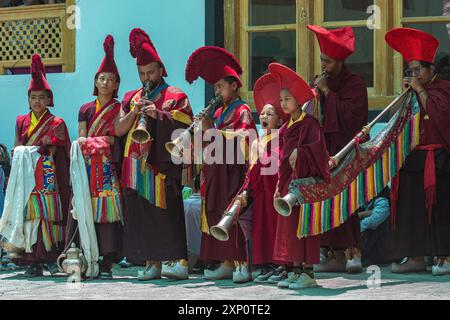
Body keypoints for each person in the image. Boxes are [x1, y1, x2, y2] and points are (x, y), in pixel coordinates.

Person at [116, 28, 194, 281]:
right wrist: (135, 112)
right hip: (135, 165)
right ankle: (150, 263)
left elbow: (186, 128)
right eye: (142, 73)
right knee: (140, 215)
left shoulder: (175, 96)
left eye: (150, 72)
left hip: (160, 167)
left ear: (160, 69)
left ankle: (175, 261)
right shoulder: (131, 97)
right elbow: (118, 129)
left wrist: (157, 115)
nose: (146, 78)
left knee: (164, 214)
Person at [185, 46, 257, 283]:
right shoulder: (217, 113)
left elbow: (245, 139)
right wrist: (202, 129)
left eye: (220, 86)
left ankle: (239, 262)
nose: (217, 91)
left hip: (233, 174)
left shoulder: (242, 110)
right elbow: (210, 142)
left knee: (231, 214)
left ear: (234, 85)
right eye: (215, 87)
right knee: (215, 214)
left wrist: (212, 131)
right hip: (216, 173)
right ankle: (224, 262)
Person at [385, 27, 450, 276]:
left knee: (440, 209)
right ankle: (415, 257)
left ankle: (444, 256)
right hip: (413, 157)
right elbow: (393, 121)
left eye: (418, 70)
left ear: (431, 68)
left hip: (439, 159)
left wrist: (421, 91)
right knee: (412, 209)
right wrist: (405, 95)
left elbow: (441, 117)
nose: (414, 75)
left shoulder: (443, 88)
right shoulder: (410, 91)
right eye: (409, 70)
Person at [0, 54, 71, 277]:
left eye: (41, 97)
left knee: (48, 216)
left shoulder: (57, 122)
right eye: (33, 97)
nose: (37, 101)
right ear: (28, 99)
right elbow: (17, 146)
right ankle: (32, 260)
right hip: (27, 175)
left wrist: (48, 148)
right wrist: (20, 154)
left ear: (49, 99)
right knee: (30, 217)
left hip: (49, 176)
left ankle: (51, 257)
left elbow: (61, 148)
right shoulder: (22, 120)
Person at [307, 25, 368, 273]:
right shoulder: (319, 81)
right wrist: (315, 93)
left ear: (340, 62)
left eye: (328, 61)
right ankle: (330, 253)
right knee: (325, 199)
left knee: (348, 201)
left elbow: (353, 117)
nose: (324, 66)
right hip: (325, 151)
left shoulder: (355, 84)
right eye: (322, 60)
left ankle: (353, 252)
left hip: (347, 150)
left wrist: (326, 92)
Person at [269, 63, 331, 290]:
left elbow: (318, 151)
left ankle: (308, 272)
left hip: (304, 187)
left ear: (298, 100)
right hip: (287, 185)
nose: (283, 103)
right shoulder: (286, 127)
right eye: (281, 99)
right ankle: (295, 270)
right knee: (290, 229)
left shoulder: (310, 123)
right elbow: (282, 161)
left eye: (287, 98)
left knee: (304, 227)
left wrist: (301, 152)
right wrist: (278, 184)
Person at [66, 35, 123, 280]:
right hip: (87, 169)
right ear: (95, 81)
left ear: (116, 84)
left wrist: (103, 142)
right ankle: (84, 254)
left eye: (110, 79)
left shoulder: (120, 108)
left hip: (108, 170)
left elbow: (117, 140)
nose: (105, 82)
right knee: (84, 209)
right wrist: (104, 141)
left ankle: (109, 259)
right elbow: (81, 139)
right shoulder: (85, 109)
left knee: (107, 213)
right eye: (102, 78)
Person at [243, 72, 287, 284]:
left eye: (270, 114)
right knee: (263, 230)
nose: (264, 117)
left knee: (278, 229)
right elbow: (251, 171)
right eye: (261, 114)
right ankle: (266, 265)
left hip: (277, 193)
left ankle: (281, 265)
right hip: (261, 196)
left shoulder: (284, 139)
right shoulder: (257, 142)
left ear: (279, 119)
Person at [358, 187, 392, 267]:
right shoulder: (364, 198)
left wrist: (360, 215)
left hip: (381, 248)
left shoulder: (383, 200)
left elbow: (368, 224)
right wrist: (366, 213)